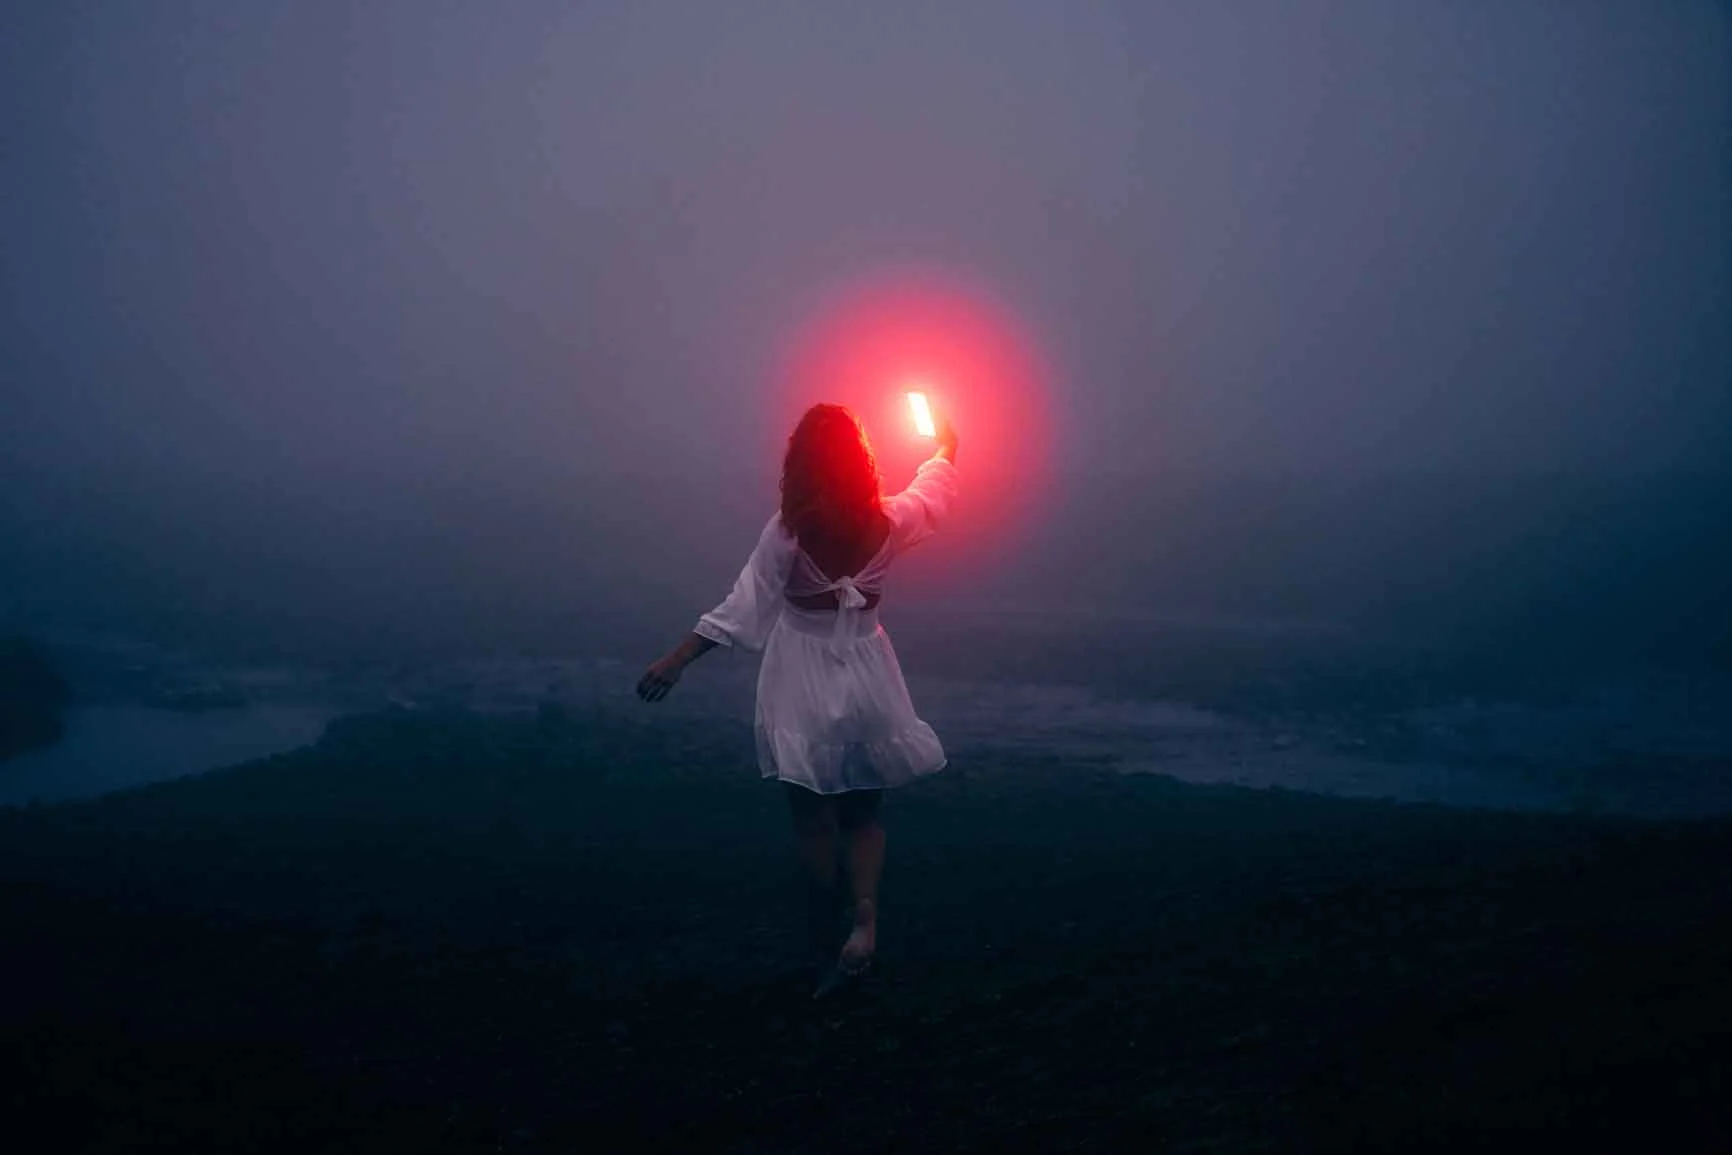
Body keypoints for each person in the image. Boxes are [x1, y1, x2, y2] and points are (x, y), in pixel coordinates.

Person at [637, 402, 959, 997]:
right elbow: (932, 489)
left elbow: (742, 608)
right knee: (864, 815)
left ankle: (823, 943)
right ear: (861, 462)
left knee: (812, 822)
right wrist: (944, 446)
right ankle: (865, 915)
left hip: (802, 680)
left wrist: (676, 659)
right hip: (869, 674)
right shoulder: (888, 522)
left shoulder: (789, 532)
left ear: (800, 464)